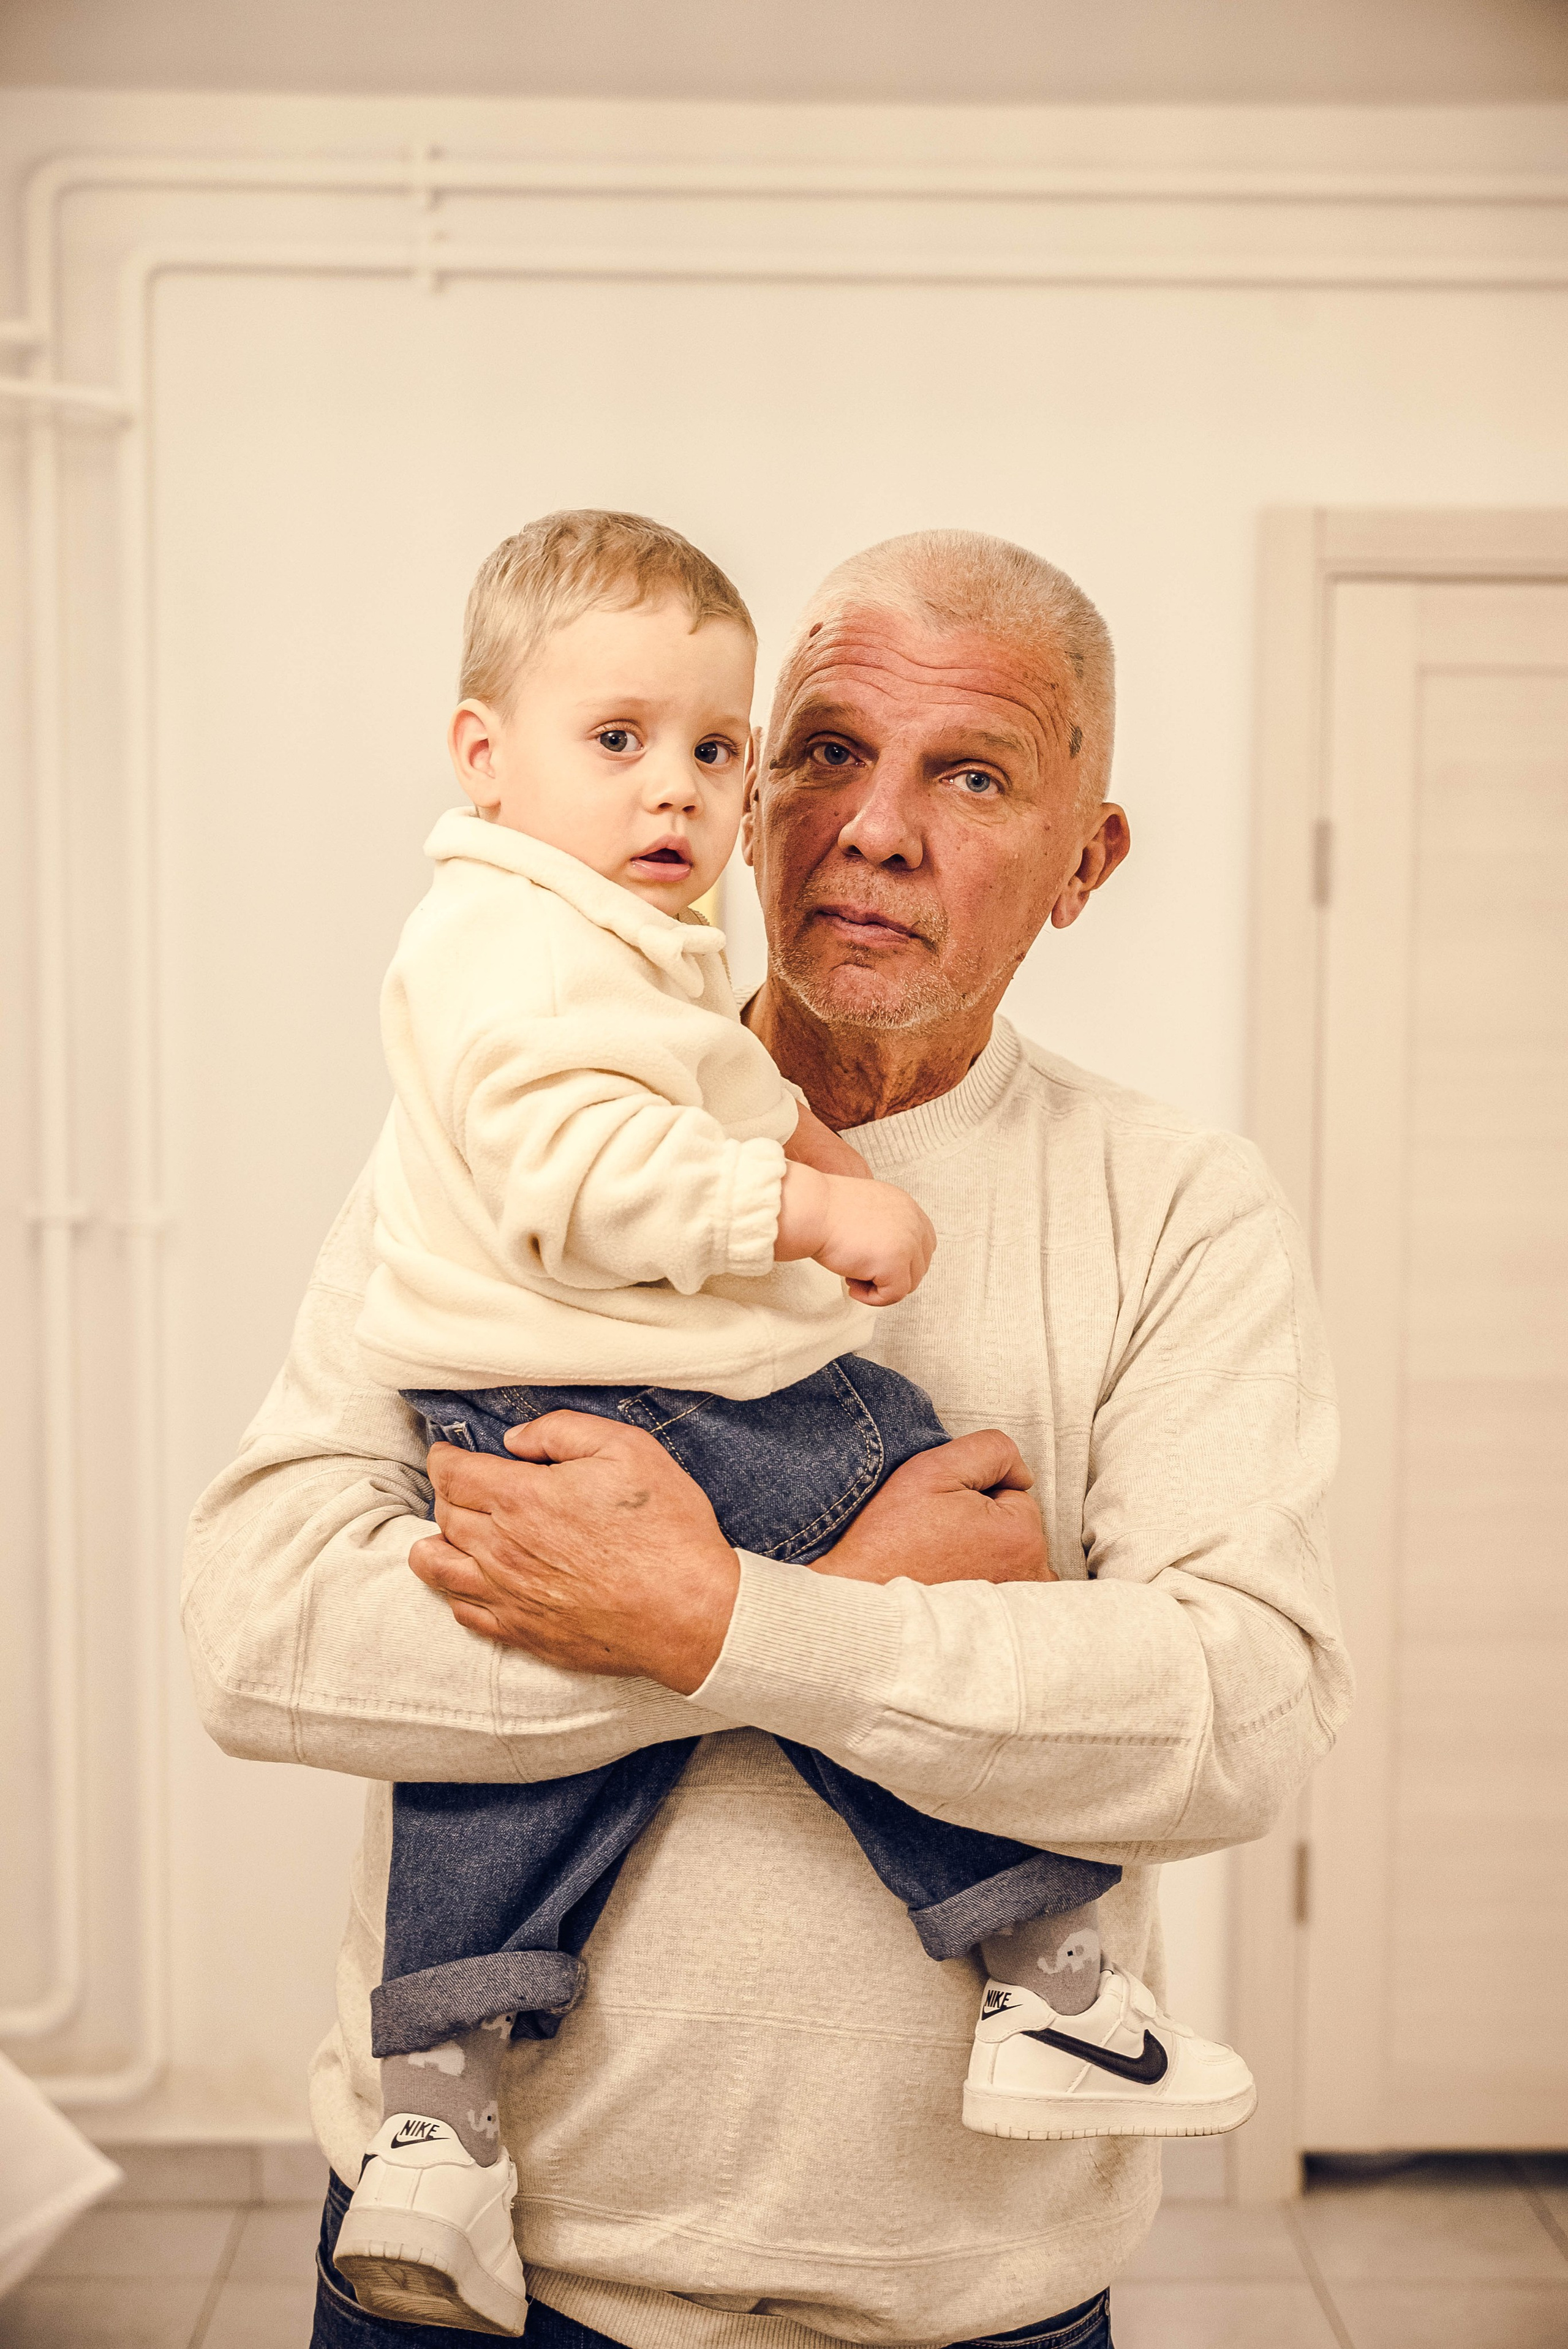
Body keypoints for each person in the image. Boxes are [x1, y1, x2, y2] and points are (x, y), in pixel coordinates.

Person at [183, 524, 1349, 2349]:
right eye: (817, 751)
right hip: (477, 2296)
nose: (874, 829)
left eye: (971, 774)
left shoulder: (1179, 1203)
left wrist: (725, 1617)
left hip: (964, 2309)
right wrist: (759, 1613)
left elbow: (1240, 1714)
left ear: (1084, 864)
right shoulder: (503, 1142)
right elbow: (258, 1637)